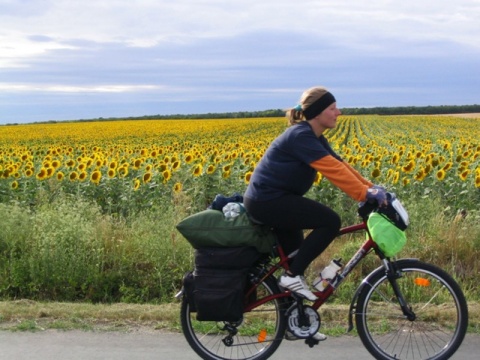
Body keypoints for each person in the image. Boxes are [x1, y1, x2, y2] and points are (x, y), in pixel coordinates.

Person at [243, 86, 386, 303]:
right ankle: (291, 277)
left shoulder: (314, 137)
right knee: (329, 221)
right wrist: (364, 194)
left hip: (275, 200)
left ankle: (295, 318)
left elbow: (342, 166)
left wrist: (372, 187)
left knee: (295, 261)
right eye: (333, 108)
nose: (338, 113)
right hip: (267, 201)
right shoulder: (300, 136)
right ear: (318, 112)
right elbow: (333, 170)